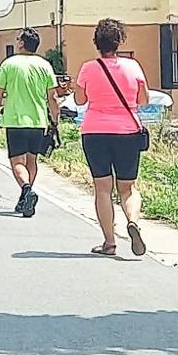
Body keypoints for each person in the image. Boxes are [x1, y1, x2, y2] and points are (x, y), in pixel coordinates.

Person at [71, 18, 149, 256]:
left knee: (102, 188)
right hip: (127, 132)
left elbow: (79, 101)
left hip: (95, 132)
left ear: (96, 43)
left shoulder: (88, 68)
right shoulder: (133, 67)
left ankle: (109, 243)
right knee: (128, 187)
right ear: (119, 42)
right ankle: (132, 221)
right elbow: (143, 100)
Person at [0, 28, 64, 218]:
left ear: (22, 43)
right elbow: (53, 97)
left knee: (16, 162)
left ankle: (27, 189)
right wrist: (55, 120)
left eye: (18, 39)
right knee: (32, 159)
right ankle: (25, 199)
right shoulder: (45, 66)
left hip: (15, 121)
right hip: (38, 121)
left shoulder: (9, 64)